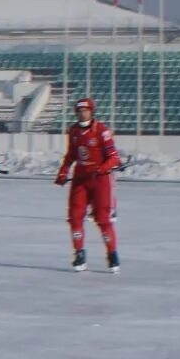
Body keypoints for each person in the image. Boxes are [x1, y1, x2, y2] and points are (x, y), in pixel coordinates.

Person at [56, 97, 122, 272]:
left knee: (103, 220)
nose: (81, 114)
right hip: (80, 179)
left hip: (100, 180)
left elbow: (114, 158)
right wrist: (63, 171)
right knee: (75, 217)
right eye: (79, 111)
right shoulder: (74, 131)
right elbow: (71, 154)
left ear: (91, 112)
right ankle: (79, 253)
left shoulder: (102, 131)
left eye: (85, 111)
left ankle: (112, 254)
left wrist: (102, 169)